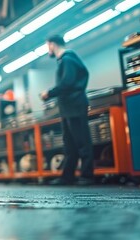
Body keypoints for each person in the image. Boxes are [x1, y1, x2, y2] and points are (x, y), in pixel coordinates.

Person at [40, 35, 94, 186]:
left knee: (82, 142)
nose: (48, 49)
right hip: (68, 108)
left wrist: (49, 93)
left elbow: (67, 83)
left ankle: (87, 175)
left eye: (47, 45)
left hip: (75, 106)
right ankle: (67, 176)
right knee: (70, 144)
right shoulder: (65, 60)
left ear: (52, 44)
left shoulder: (68, 59)